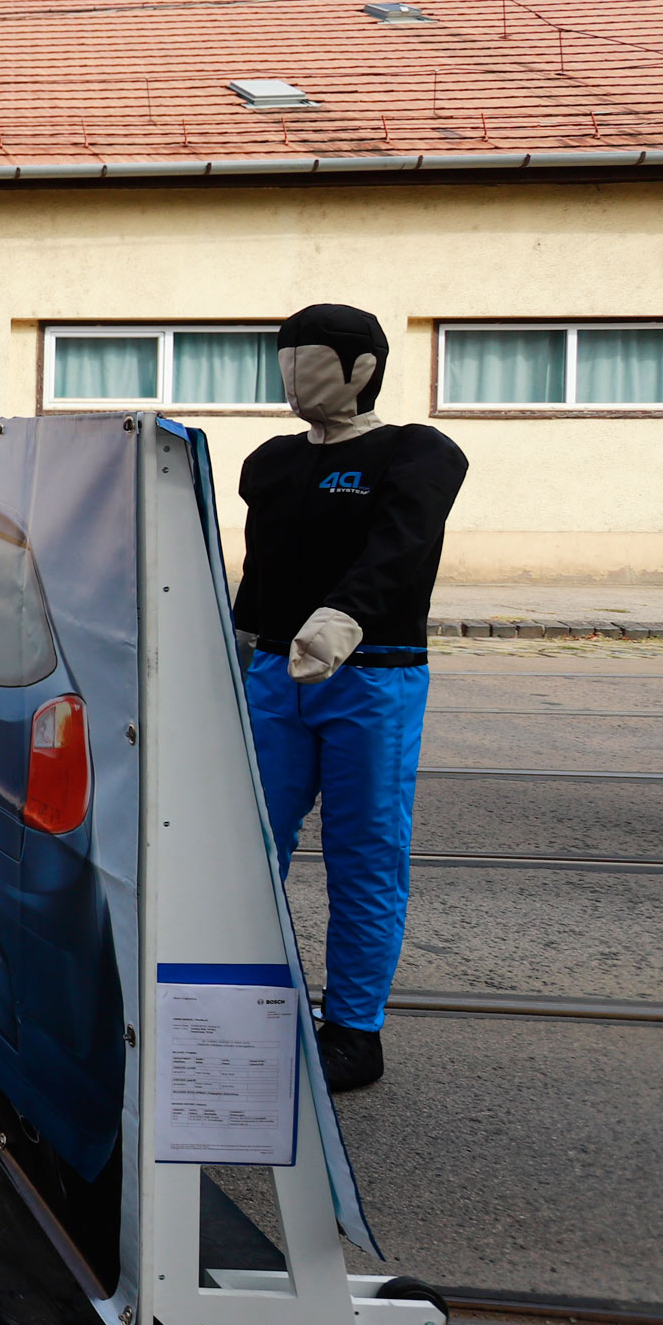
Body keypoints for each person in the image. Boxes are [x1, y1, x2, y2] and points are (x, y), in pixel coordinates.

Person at [231, 304, 469, 1093]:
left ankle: (354, 1030)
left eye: (314, 361)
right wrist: (234, 641)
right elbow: (258, 571)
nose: (295, 377)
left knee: (366, 856)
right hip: (273, 678)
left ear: (362, 369)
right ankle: (244, 999)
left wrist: (346, 616)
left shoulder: (416, 455)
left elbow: (403, 545)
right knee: (248, 848)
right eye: (286, 360)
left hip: (372, 675)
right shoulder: (271, 463)